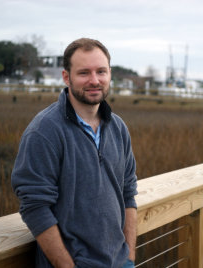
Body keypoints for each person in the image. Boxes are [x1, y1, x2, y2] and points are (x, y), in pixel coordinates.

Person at [11, 38, 138, 268]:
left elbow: (128, 193)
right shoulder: (44, 131)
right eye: (84, 73)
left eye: (101, 71)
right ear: (66, 77)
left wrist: (129, 257)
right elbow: (35, 207)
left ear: (110, 74)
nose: (94, 80)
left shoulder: (118, 128)